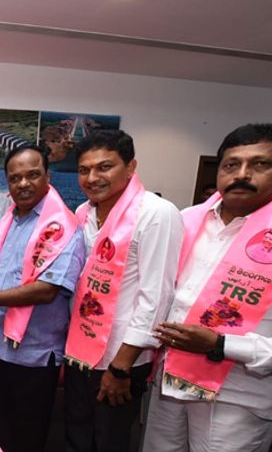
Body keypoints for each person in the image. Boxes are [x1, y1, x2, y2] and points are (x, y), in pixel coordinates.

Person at [143, 123, 272, 452]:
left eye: (259, 164)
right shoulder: (187, 219)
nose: (242, 174)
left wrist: (221, 344)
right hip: (169, 382)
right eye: (231, 165)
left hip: (237, 395)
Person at [0, 145, 86, 452]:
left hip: (34, 353)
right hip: (0, 348)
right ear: (7, 182)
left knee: (27, 434)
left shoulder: (62, 227)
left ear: (48, 177)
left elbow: (46, 290)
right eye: (15, 178)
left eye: (32, 175)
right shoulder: (10, 220)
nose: (23, 184)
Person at [64, 129, 184, 452]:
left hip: (120, 359)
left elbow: (156, 298)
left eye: (104, 167)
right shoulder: (83, 214)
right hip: (80, 353)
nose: (92, 177)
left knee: (110, 442)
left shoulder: (157, 214)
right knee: (76, 437)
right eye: (84, 170)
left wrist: (121, 367)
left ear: (131, 168)